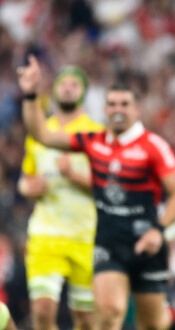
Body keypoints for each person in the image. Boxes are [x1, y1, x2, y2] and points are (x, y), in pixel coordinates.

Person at [17, 55, 175, 330]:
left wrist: (159, 230)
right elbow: (42, 135)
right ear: (104, 109)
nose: (117, 109)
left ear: (137, 110)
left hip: (147, 241)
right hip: (108, 243)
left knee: (153, 324)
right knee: (109, 314)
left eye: (124, 104)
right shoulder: (94, 142)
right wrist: (29, 95)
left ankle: (169, 318)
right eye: (112, 104)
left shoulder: (153, 146)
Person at [17, 65, 104, 330]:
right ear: (53, 90)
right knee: (42, 313)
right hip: (46, 234)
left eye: (74, 84)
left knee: (86, 321)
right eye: (62, 83)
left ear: (84, 92)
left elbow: (109, 187)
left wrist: (74, 177)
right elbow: (25, 178)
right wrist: (27, 189)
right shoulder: (39, 132)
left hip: (86, 236)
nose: (67, 87)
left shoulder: (96, 133)